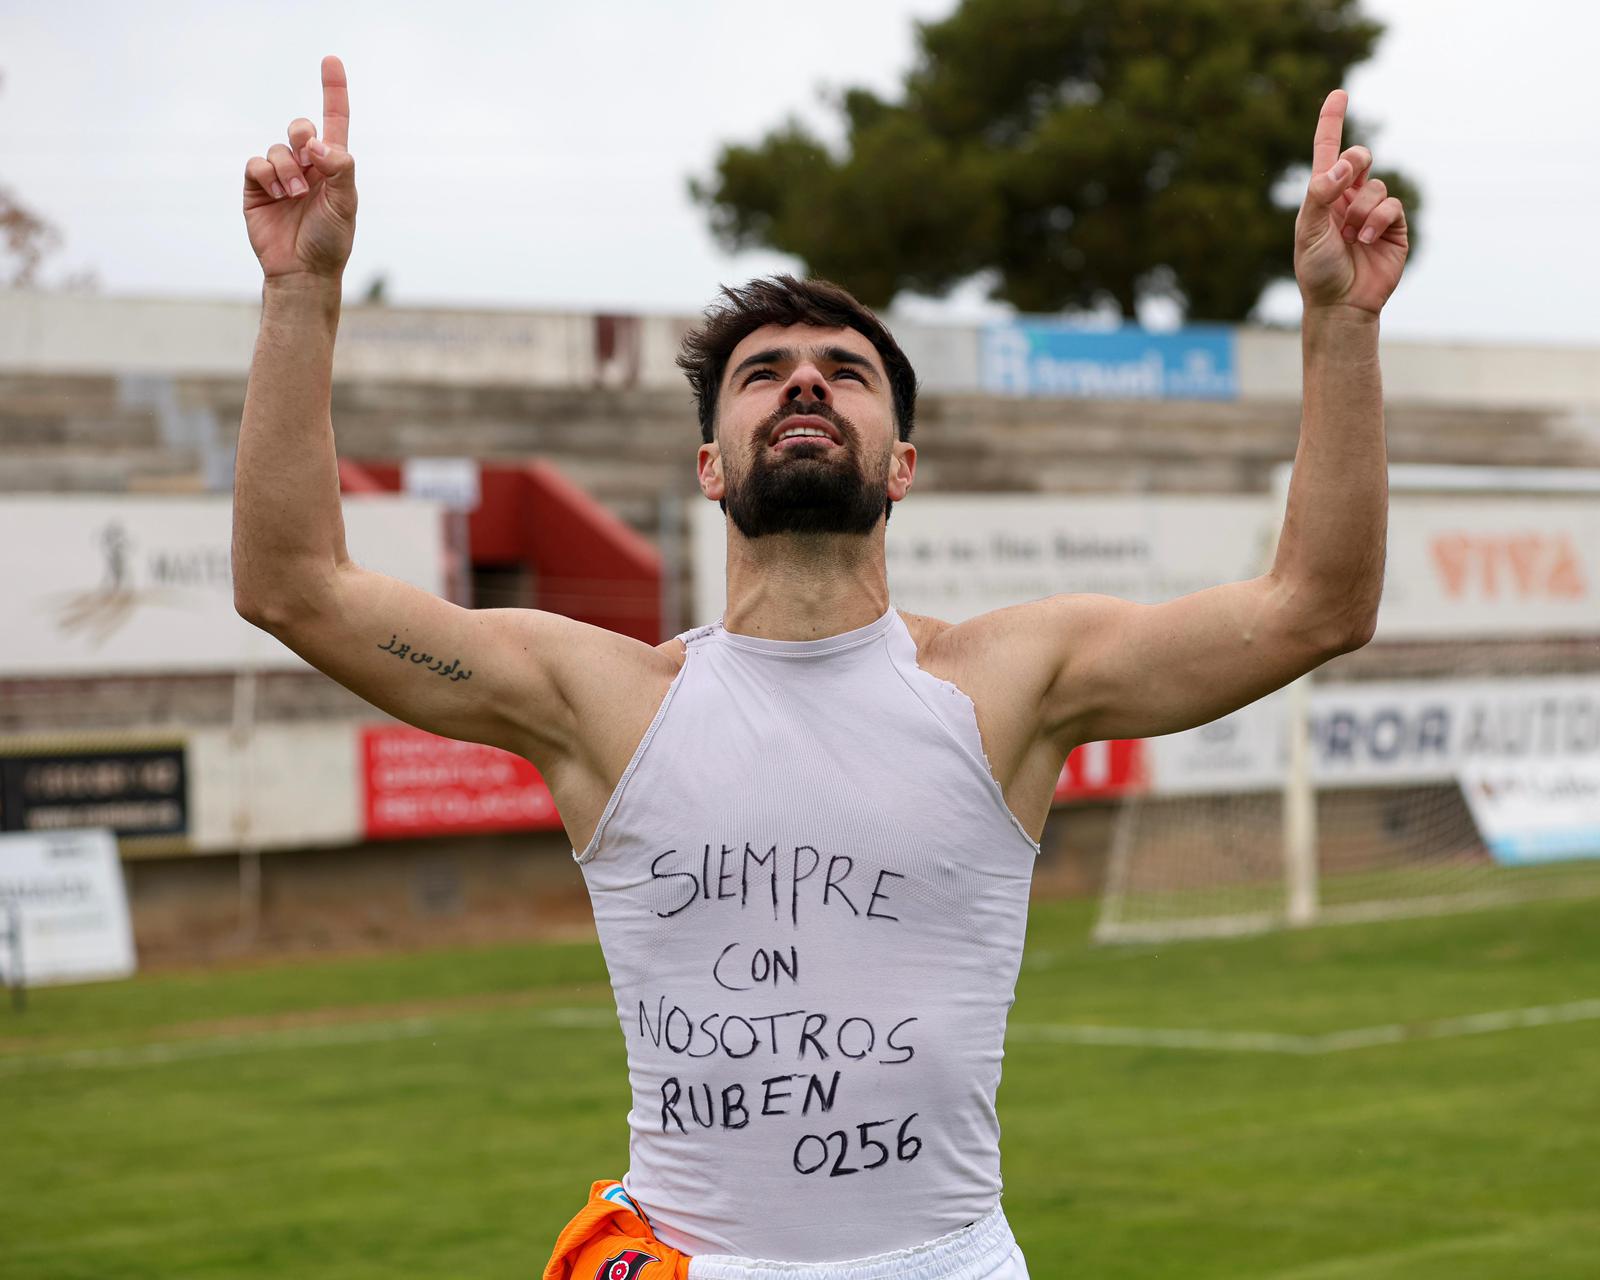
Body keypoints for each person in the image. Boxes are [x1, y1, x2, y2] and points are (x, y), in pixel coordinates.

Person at [235, 55, 1407, 1280]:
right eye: (763, 374)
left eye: (845, 373)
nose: (804, 380)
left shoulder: (1011, 684)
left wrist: (1338, 321)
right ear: (709, 465)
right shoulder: (606, 702)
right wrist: (301, 290)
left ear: (900, 464)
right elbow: (292, 586)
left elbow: (1317, 604)